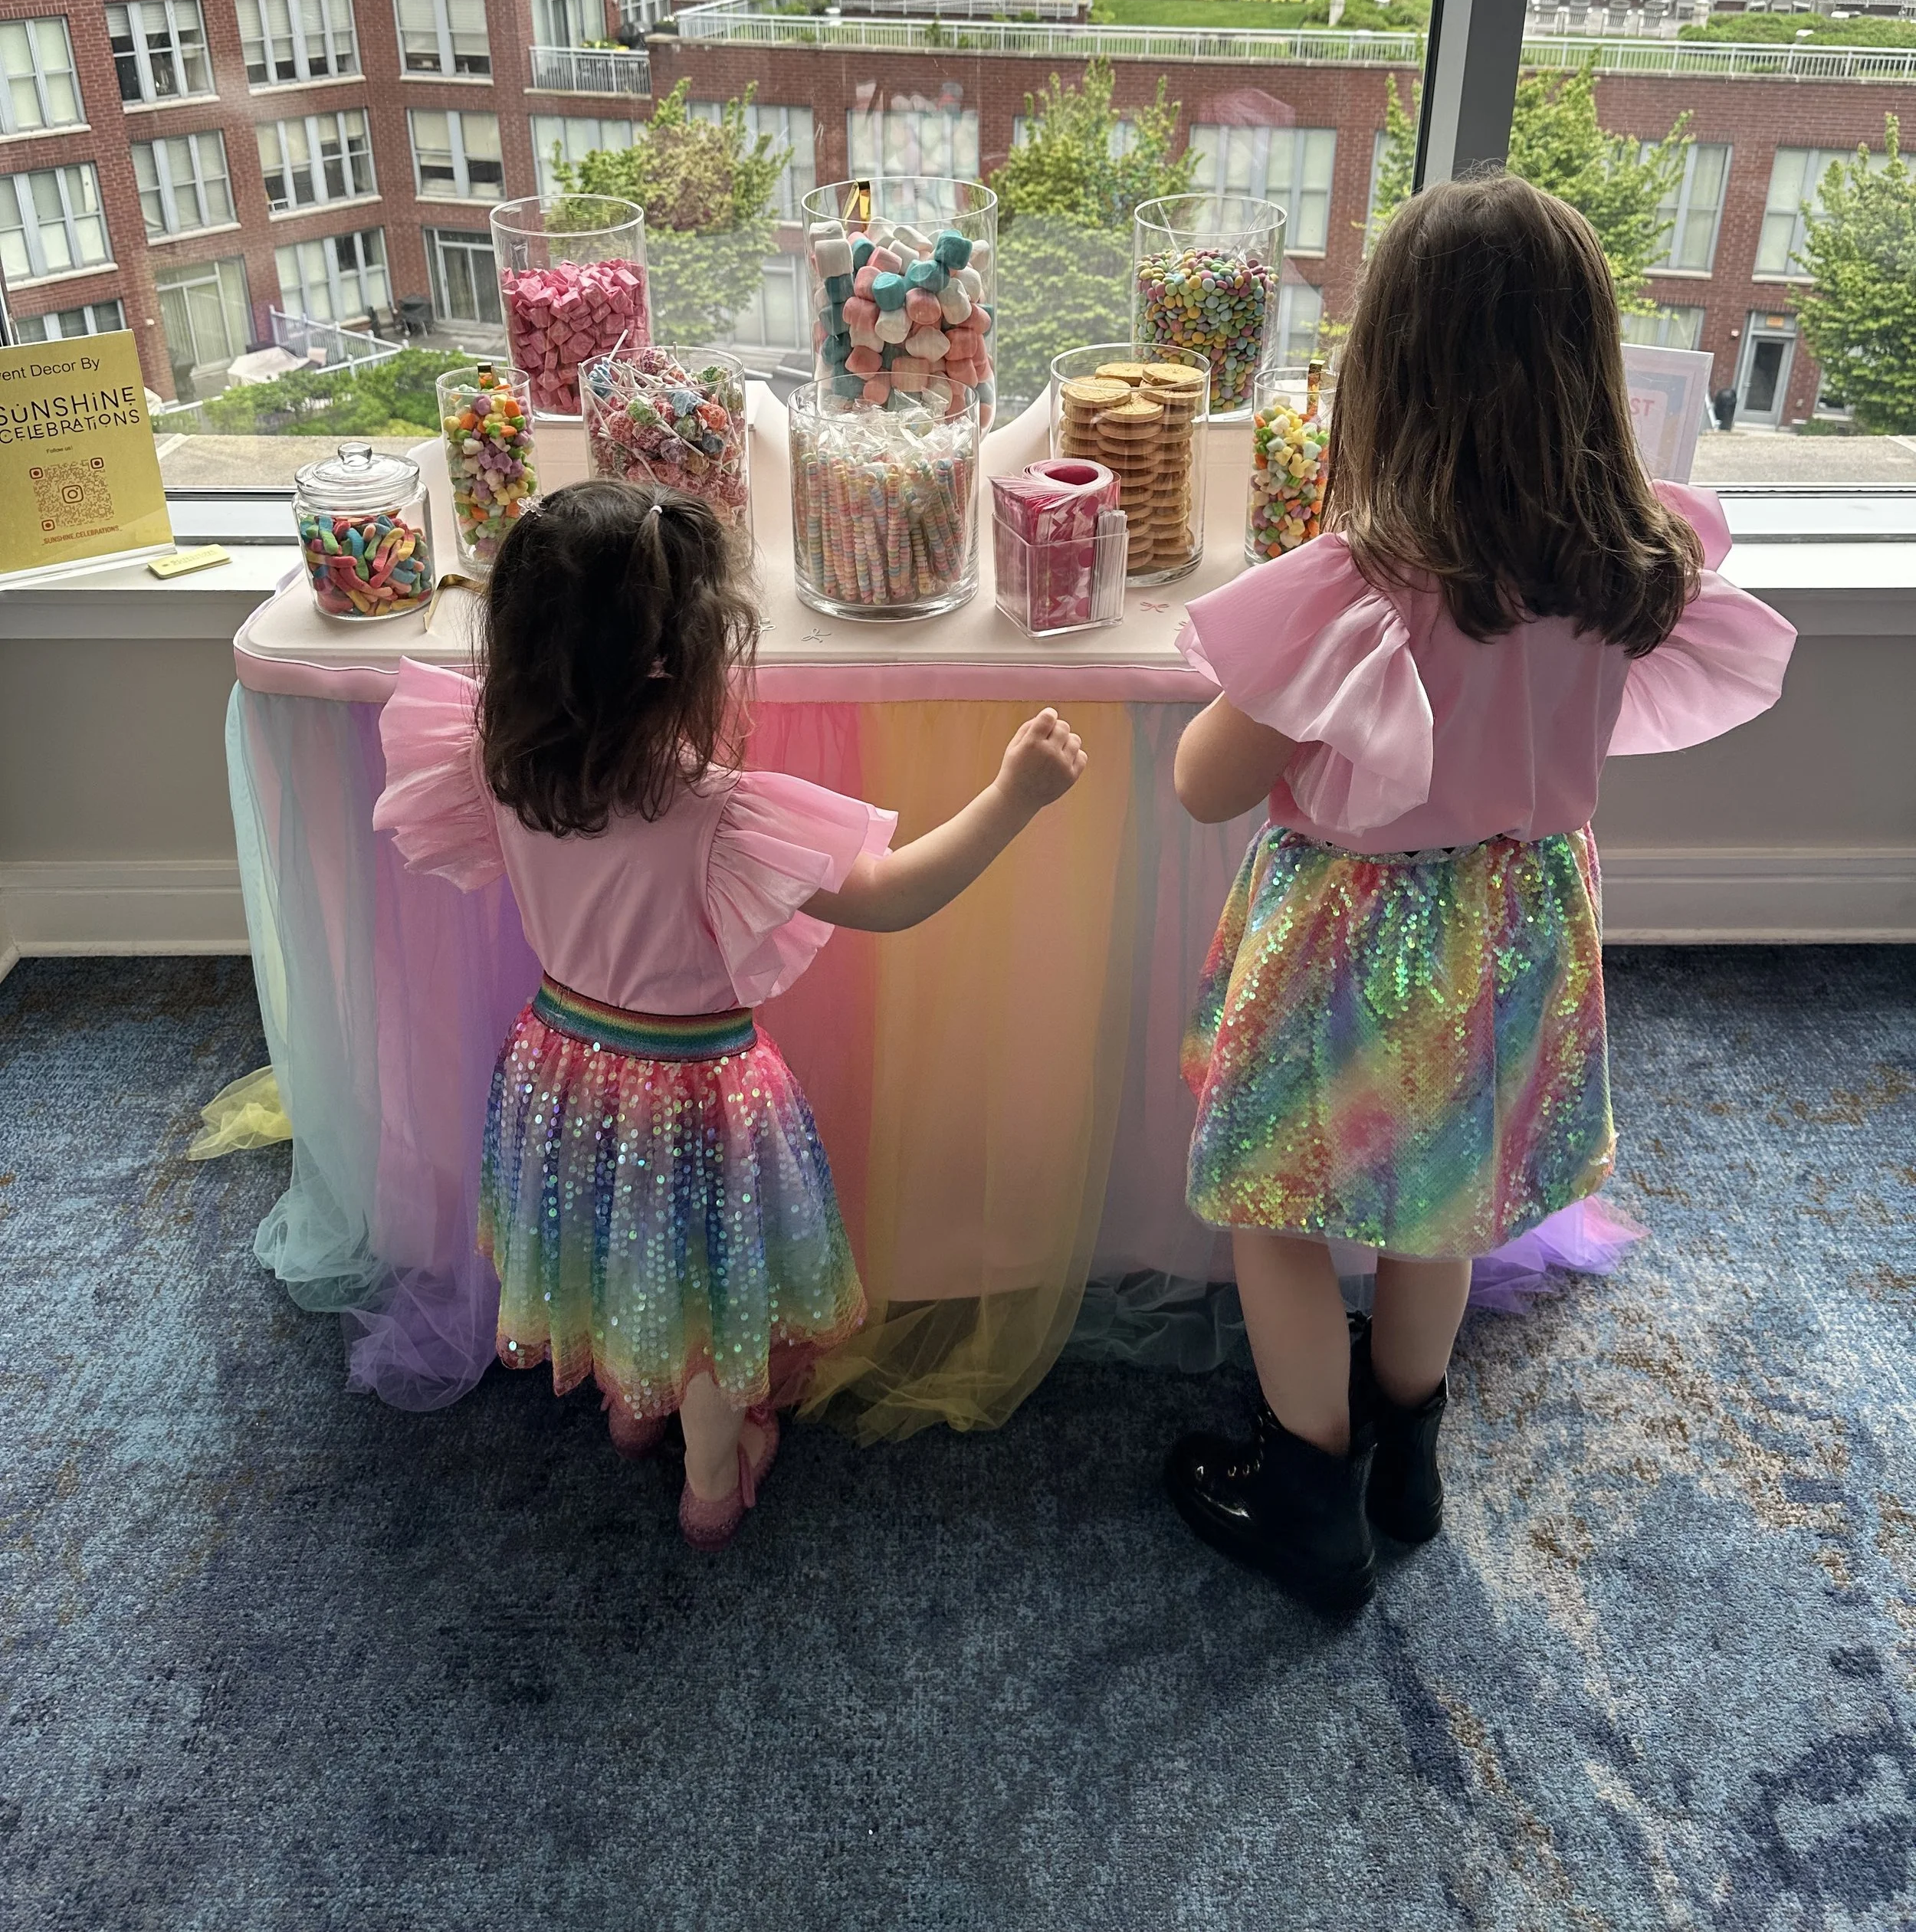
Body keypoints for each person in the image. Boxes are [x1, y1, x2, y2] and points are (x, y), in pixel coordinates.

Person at [1166, 178, 1796, 1614]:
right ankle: (1411, 1458)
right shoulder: (1627, 568)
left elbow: (1208, 779)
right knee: (1437, 1210)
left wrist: (1251, 690)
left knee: (1276, 1208)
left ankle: (1310, 1491)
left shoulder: (1366, 589)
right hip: (1518, 928)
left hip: (1355, 940)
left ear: (1391, 373)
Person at [372, 481, 1085, 1550]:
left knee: (610, 1253)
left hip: (560, 1068)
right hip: (695, 1097)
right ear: (684, 662)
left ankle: (628, 1408)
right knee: (703, 1301)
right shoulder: (713, 813)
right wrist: (1012, 798)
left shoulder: (496, 768)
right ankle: (713, 1479)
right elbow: (890, 897)